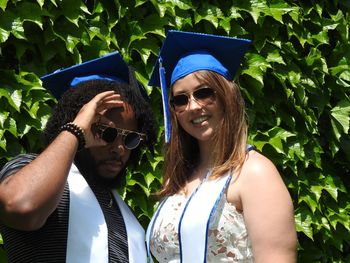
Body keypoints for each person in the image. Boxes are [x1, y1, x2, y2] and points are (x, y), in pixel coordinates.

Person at [146, 30, 297, 262]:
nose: (193, 107)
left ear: (227, 97)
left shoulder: (253, 173)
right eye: (180, 99)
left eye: (204, 93)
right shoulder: (178, 180)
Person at [0, 52, 157, 263]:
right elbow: (20, 206)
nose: (119, 148)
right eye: (107, 133)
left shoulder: (121, 210)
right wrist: (75, 132)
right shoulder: (27, 168)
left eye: (130, 139)